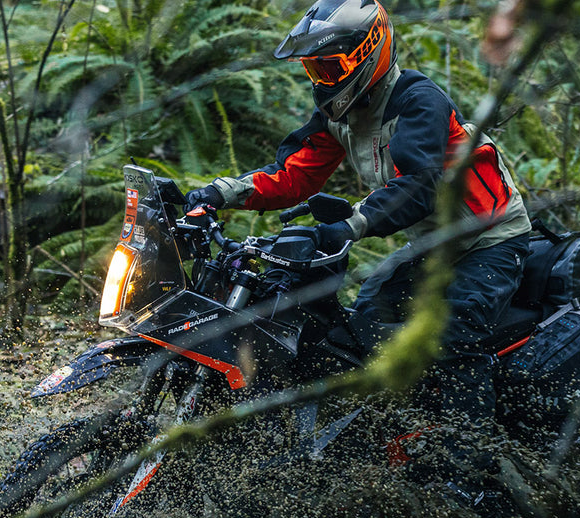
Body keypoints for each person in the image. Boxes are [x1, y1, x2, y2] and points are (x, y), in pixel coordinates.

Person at [184, 0, 531, 470]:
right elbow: (293, 174)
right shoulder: (340, 113)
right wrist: (221, 193)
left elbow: (419, 185)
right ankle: (382, 442)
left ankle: (471, 464)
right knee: (361, 326)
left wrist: (350, 224)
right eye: (314, 69)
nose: (323, 79)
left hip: (489, 240)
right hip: (430, 245)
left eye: (331, 67)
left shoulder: (417, 100)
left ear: (369, 52)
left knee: (452, 334)